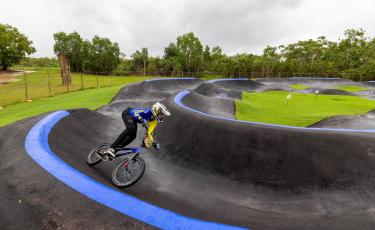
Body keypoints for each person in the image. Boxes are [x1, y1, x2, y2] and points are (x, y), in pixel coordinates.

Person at [103, 102, 171, 157]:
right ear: (156, 111)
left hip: (134, 120)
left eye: (163, 115)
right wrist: (141, 119)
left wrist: (153, 143)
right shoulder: (147, 111)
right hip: (128, 113)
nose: (162, 116)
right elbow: (133, 113)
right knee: (131, 129)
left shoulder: (154, 121)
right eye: (161, 114)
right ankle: (111, 148)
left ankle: (115, 150)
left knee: (133, 136)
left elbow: (149, 132)